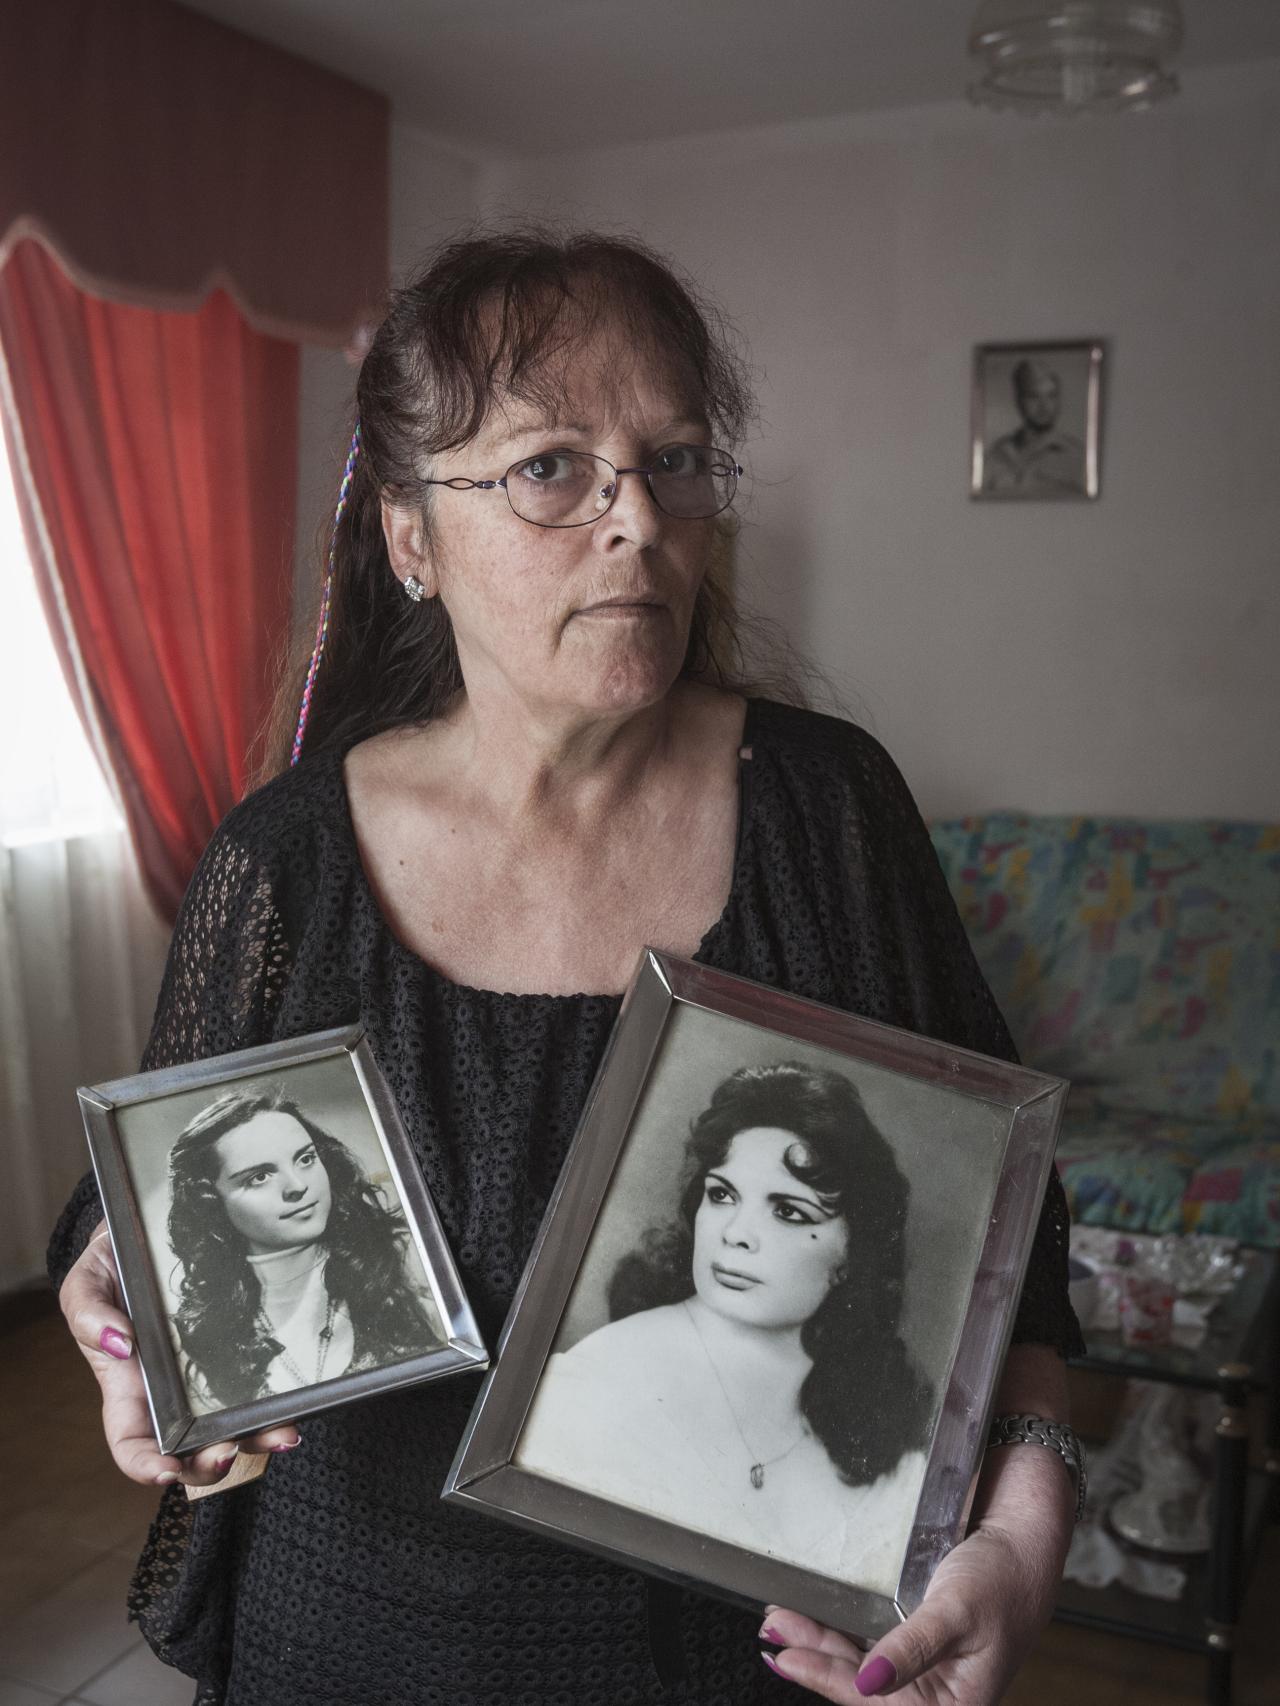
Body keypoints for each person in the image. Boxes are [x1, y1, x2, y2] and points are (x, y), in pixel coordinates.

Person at [51, 227, 1084, 1706]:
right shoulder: (284, 862)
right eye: (551, 467)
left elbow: (1006, 1240)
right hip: (352, 1634)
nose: (638, 520)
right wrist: (124, 1308)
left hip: (760, 1653)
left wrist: (1027, 1516)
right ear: (411, 537)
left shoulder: (829, 812)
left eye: (674, 461)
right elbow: (140, 1204)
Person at [518, 1062, 931, 1596]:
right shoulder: (592, 1386)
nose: (736, 1233)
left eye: (788, 1212)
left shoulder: (873, 1417)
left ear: (852, 1254)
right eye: (722, 1195)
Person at [166, 1086, 443, 1411]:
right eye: (259, 1177)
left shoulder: (404, 1261)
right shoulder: (209, 1333)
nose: (298, 1186)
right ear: (210, 1204)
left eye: (306, 1159)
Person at [984, 357, 1085, 494]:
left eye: (1051, 396)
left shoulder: (1076, 456)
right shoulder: (997, 454)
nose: (1044, 406)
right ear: (1019, 400)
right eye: (1033, 396)